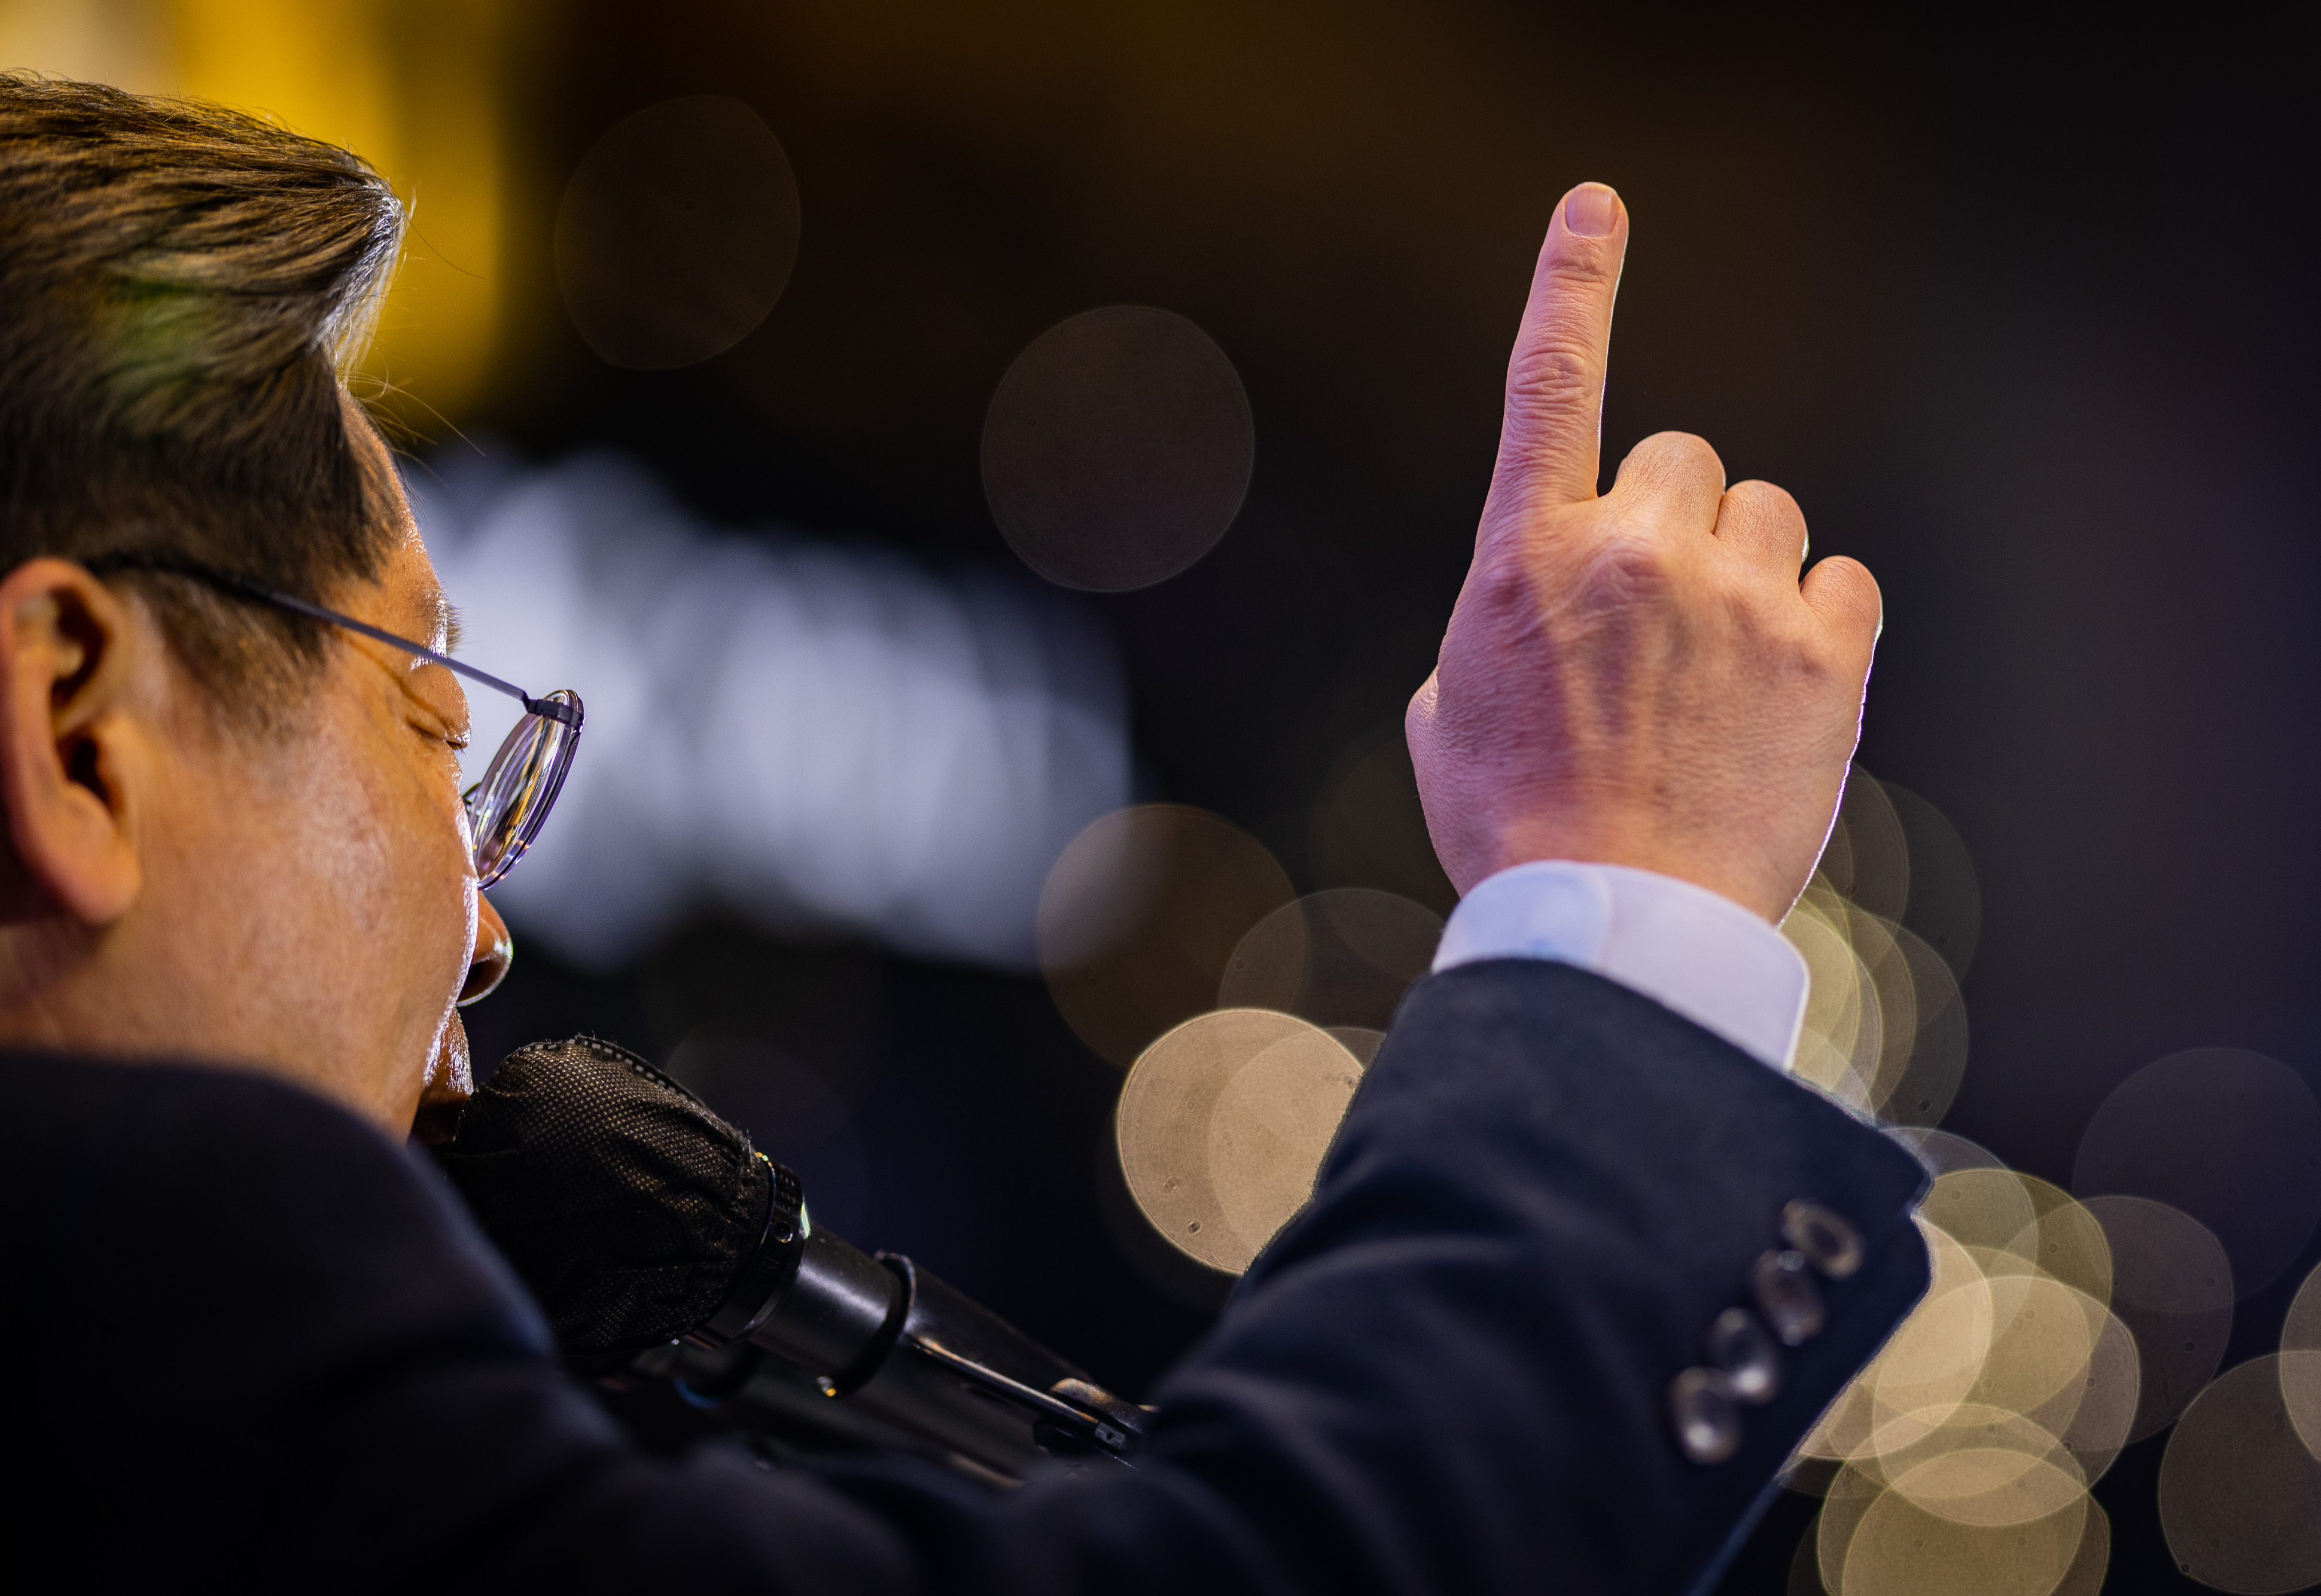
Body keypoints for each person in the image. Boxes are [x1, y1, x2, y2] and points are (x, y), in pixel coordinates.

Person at [0, 77, 1926, 1595]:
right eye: (431, 713)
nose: (487, 925)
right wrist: (1625, 907)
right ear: (80, 728)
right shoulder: (171, 1381)